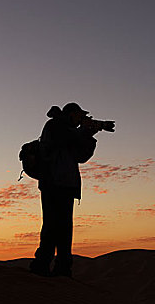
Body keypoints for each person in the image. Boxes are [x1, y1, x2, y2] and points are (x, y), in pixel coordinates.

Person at [29, 102, 101, 277]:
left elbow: (82, 156)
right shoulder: (55, 126)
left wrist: (90, 133)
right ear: (70, 114)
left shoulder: (72, 131)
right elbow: (66, 139)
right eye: (79, 115)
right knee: (51, 226)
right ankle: (42, 265)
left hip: (67, 186)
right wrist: (85, 129)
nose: (80, 119)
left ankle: (62, 268)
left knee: (65, 229)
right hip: (52, 184)